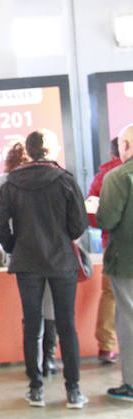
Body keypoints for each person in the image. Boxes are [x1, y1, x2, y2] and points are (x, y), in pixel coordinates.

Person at [0, 129, 89, 408]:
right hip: (61, 262)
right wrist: (64, 236)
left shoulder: (11, 183)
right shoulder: (65, 180)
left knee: (31, 325)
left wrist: (15, 246)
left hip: (27, 262)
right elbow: (79, 224)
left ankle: (35, 388)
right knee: (67, 325)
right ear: (51, 150)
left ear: (29, 150)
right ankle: (73, 390)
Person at [0, 142, 59, 376]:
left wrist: (13, 247)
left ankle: (40, 365)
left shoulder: (8, 182)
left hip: (27, 255)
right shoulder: (57, 178)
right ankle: (45, 362)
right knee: (45, 310)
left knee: (36, 312)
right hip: (50, 255)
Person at [95, 123, 133, 402]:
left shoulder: (118, 177)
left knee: (129, 320)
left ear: (126, 146)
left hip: (127, 261)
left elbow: (107, 219)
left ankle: (131, 384)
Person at [88, 137, 123, 364]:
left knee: (110, 294)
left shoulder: (102, 178)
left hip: (113, 244)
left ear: (112, 154)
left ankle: (106, 347)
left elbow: (92, 218)